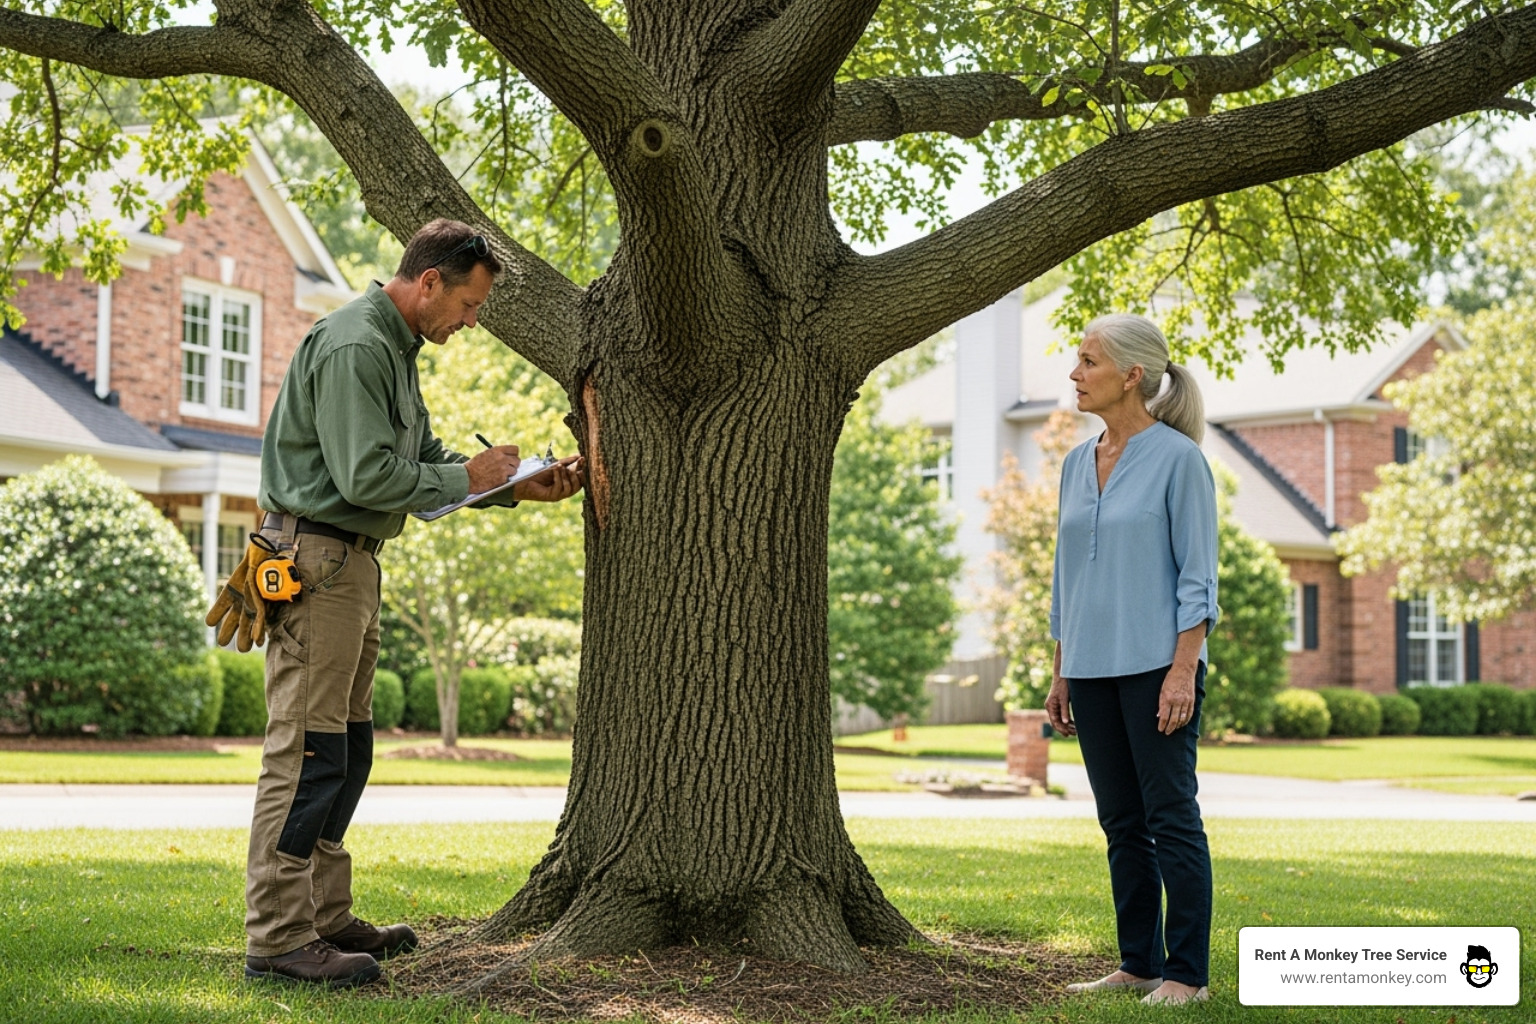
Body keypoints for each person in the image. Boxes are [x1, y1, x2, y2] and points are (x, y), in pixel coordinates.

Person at [237, 219, 584, 986]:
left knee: (348, 753)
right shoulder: (359, 345)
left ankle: (326, 917)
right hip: (318, 564)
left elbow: (421, 462)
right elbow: (365, 477)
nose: (468, 323)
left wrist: (510, 482)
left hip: (351, 566)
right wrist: (470, 479)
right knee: (307, 757)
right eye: (467, 306)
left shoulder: (395, 350)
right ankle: (278, 938)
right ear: (430, 282)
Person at [1045, 313, 1218, 1006]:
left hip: (1155, 666)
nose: (1075, 373)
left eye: (1089, 361)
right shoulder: (1072, 464)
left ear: (1132, 376)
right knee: (1121, 823)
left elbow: (1198, 581)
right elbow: (1066, 578)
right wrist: (1060, 669)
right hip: (1088, 668)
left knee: (1170, 814)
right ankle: (1138, 962)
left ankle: (1187, 975)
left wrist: (1183, 671)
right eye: (1078, 360)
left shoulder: (1180, 460)